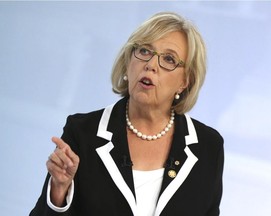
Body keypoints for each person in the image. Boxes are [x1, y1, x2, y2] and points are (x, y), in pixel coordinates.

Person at [30, 11, 224, 216]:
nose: (150, 65)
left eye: (168, 59)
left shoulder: (208, 147)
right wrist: (59, 192)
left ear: (185, 81)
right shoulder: (83, 133)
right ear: (128, 61)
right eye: (144, 51)